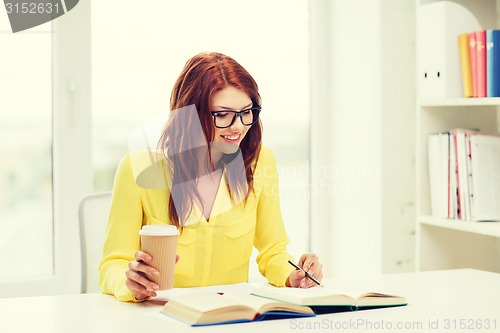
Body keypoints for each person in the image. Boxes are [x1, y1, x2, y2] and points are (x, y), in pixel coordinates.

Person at [99, 52, 323, 302]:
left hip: (230, 316)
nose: (238, 126)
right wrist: (130, 282)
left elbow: (273, 252)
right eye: (222, 114)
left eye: (246, 112)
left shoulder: (260, 164)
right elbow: (113, 264)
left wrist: (294, 275)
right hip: (161, 316)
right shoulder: (137, 167)